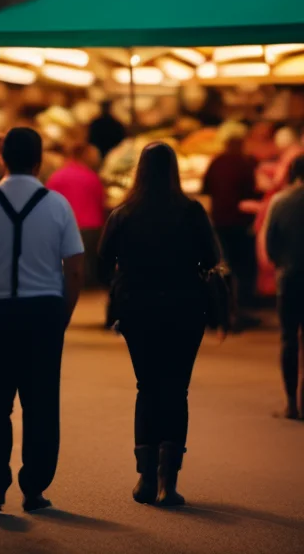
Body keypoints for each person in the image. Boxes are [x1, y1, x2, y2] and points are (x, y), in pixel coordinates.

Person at [0, 127, 85, 513]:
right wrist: (63, 314)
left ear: (1, 159)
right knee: (42, 403)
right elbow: (75, 269)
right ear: (39, 159)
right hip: (44, 312)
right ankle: (35, 489)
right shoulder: (58, 205)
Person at [98, 142, 221, 507]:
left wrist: (125, 282)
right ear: (173, 171)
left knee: (147, 387)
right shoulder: (191, 211)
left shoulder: (123, 213)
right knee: (176, 389)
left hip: (138, 310)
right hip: (185, 308)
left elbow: (102, 263)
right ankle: (169, 481)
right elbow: (212, 258)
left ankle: (145, 477)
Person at [265, 153, 304, 421]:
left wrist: (282, 263)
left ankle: (292, 403)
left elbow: (270, 245)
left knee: (289, 339)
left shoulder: (281, 201)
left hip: (290, 277)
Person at [202, 136, 258, 314]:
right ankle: (240, 307)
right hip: (240, 222)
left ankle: (225, 307)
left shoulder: (216, 162)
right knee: (242, 267)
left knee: (223, 264)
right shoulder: (245, 164)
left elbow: (206, 188)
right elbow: (251, 191)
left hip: (219, 220)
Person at [47, 143, 105, 290]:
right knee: (89, 264)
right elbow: (100, 202)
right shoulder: (91, 176)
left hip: (68, 228)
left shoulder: (57, 177)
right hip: (93, 227)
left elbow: (49, 205)